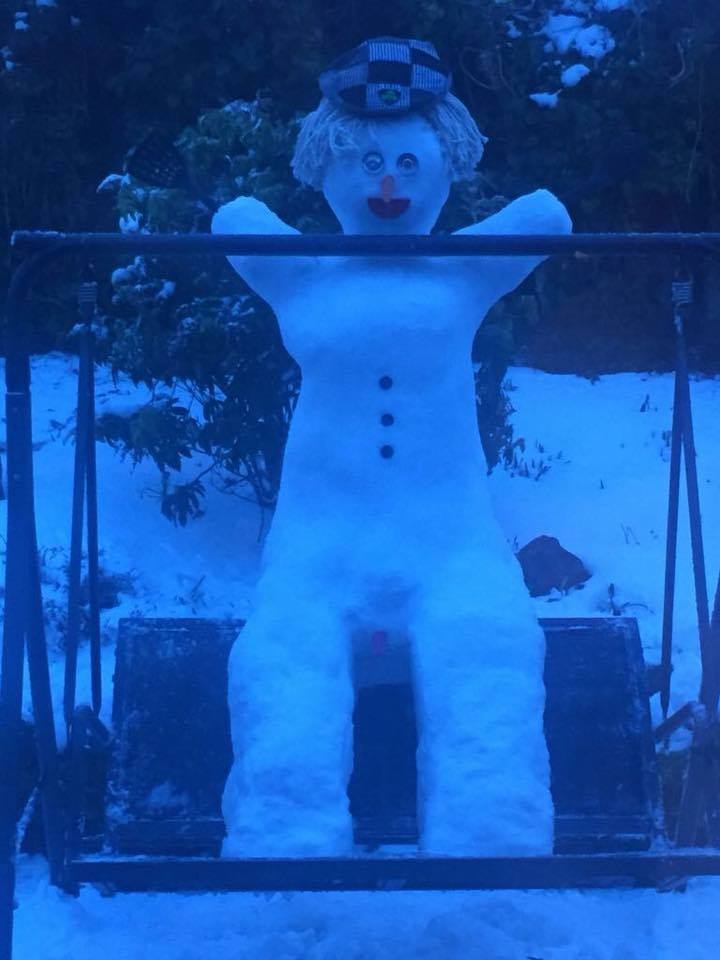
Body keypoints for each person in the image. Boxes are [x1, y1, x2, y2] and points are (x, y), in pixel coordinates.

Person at [213, 36, 572, 857]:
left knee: (488, 649)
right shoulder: (301, 274)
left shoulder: (461, 272)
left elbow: (548, 216)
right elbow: (233, 220)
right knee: (285, 663)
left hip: (449, 539)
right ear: (327, 167)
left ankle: (490, 840)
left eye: (410, 164)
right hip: (321, 540)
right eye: (367, 163)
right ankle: (284, 840)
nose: (387, 185)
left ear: (445, 169)